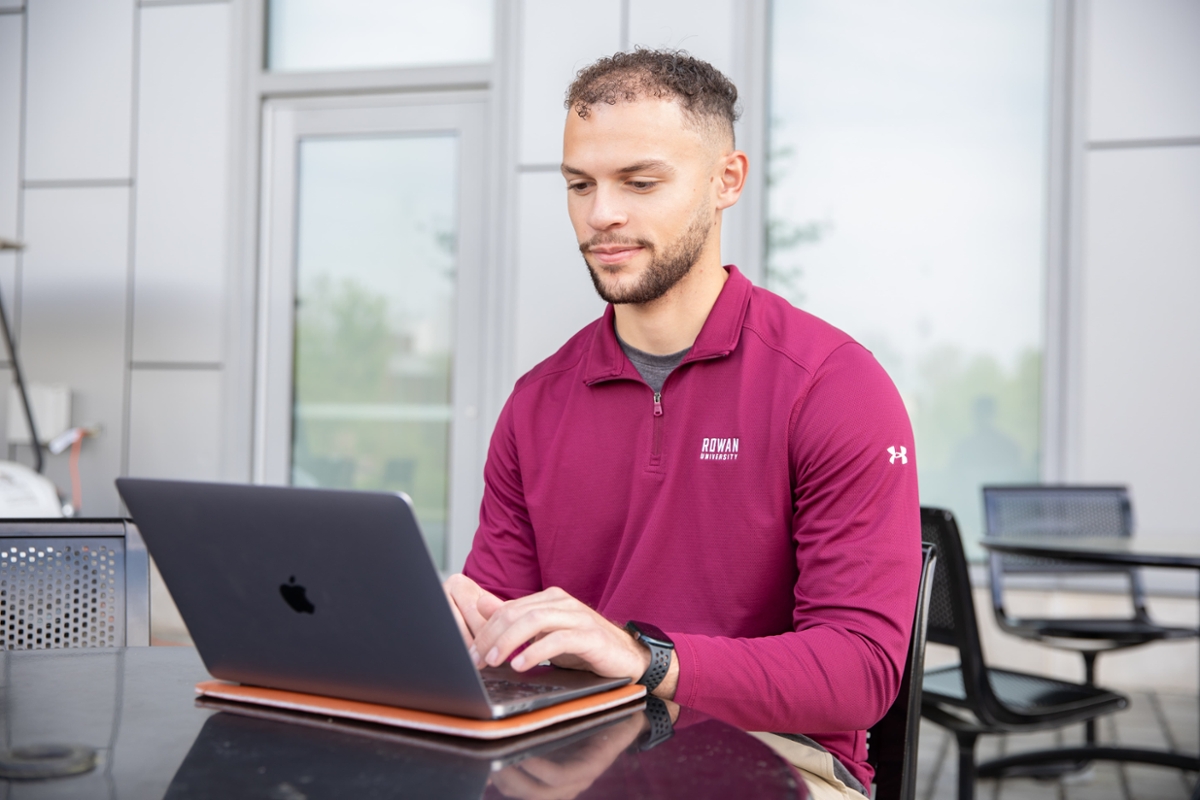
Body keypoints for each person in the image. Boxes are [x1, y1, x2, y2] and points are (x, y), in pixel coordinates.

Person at [445, 49, 921, 800]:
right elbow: (506, 636)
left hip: (778, 760)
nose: (602, 213)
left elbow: (860, 672)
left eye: (640, 182)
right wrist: (459, 628)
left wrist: (645, 656)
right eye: (580, 184)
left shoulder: (833, 386)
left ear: (726, 180)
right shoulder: (536, 401)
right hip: (575, 752)